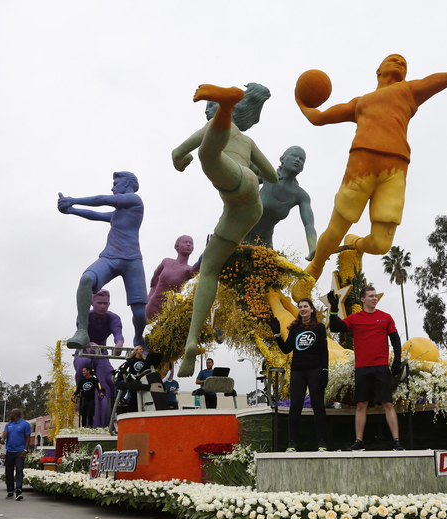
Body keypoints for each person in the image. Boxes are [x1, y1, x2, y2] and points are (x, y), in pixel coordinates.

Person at [296, 41, 447, 284]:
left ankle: (355, 243)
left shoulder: (409, 90)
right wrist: (301, 103)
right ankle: (316, 267)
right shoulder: (360, 102)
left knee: (381, 244)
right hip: (361, 165)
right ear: (378, 70)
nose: (400, 61)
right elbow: (319, 118)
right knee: (335, 229)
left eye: (404, 62)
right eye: (393, 59)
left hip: (396, 170)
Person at [171, 83, 278, 378]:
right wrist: (258, 174)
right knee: (209, 271)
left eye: (214, 112)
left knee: (209, 157)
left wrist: (179, 158)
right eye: (217, 111)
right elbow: (272, 176)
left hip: (237, 183)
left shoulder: (216, 128)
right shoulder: (249, 141)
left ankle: (227, 101)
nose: (209, 116)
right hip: (245, 210)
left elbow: (181, 150)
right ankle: (192, 342)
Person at [58, 171, 147, 349]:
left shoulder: (135, 200)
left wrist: (73, 200)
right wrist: (72, 211)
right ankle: (82, 332)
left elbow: (102, 199)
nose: (112, 187)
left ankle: (138, 338)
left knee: (139, 313)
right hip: (110, 257)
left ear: (127, 183)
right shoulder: (117, 214)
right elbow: (95, 215)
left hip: (132, 261)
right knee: (86, 280)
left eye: (116, 183)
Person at [327, 285, 404, 451]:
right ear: (363, 299)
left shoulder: (386, 317)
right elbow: (335, 327)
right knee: (361, 405)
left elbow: (396, 340)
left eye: (375, 296)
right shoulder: (355, 318)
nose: (374, 298)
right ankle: (359, 442)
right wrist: (334, 309)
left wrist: (397, 360)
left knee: (387, 403)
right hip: (362, 368)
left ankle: (397, 441)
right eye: (371, 296)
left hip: (381, 367)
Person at [269, 297, 329, 452]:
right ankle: (292, 443)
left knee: (318, 405)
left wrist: (325, 370)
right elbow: (286, 349)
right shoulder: (295, 328)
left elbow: (324, 350)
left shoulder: (320, 327)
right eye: (300, 307)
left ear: (311, 309)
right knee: (295, 406)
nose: (303, 309)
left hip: (315, 369)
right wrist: (276, 334)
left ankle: (322, 442)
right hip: (298, 371)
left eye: (305, 306)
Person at [244, 146, 317, 259]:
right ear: (282, 159)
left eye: (302, 159)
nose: (298, 160)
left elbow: (309, 224)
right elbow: (242, 182)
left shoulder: (301, 196)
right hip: (240, 232)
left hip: (265, 242)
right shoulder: (267, 175)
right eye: (294, 156)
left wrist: (313, 249)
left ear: (302, 168)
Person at [72, 289, 123, 428]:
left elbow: (118, 333)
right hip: (84, 351)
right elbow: (82, 332)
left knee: (110, 379)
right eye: (99, 303)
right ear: (92, 303)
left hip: (102, 354)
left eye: (105, 303)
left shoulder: (113, 318)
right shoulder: (84, 316)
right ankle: (79, 394)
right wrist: (89, 344)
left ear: (109, 304)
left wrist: (119, 343)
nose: (102, 306)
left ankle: (113, 408)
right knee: (83, 365)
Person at [146, 235, 204, 321]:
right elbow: (156, 274)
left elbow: (197, 266)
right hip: (152, 305)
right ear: (177, 246)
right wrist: (153, 284)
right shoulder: (166, 261)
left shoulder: (188, 270)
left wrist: (206, 253)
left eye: (191, 243)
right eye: (185, 242)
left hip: (168, 311)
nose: (188, 245)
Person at [3, 408, 31, 501]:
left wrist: (25, 450)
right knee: (8, 471)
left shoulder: (25, 424)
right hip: (10, 451)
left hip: (19, 451)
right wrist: (3, 437)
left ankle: (19, 491)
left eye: (11, 414)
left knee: (19, 470)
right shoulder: (8, 425)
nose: (10, 415)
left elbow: (27, 438)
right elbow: (5, 436)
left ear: (15, 415)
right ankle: (10, 491)